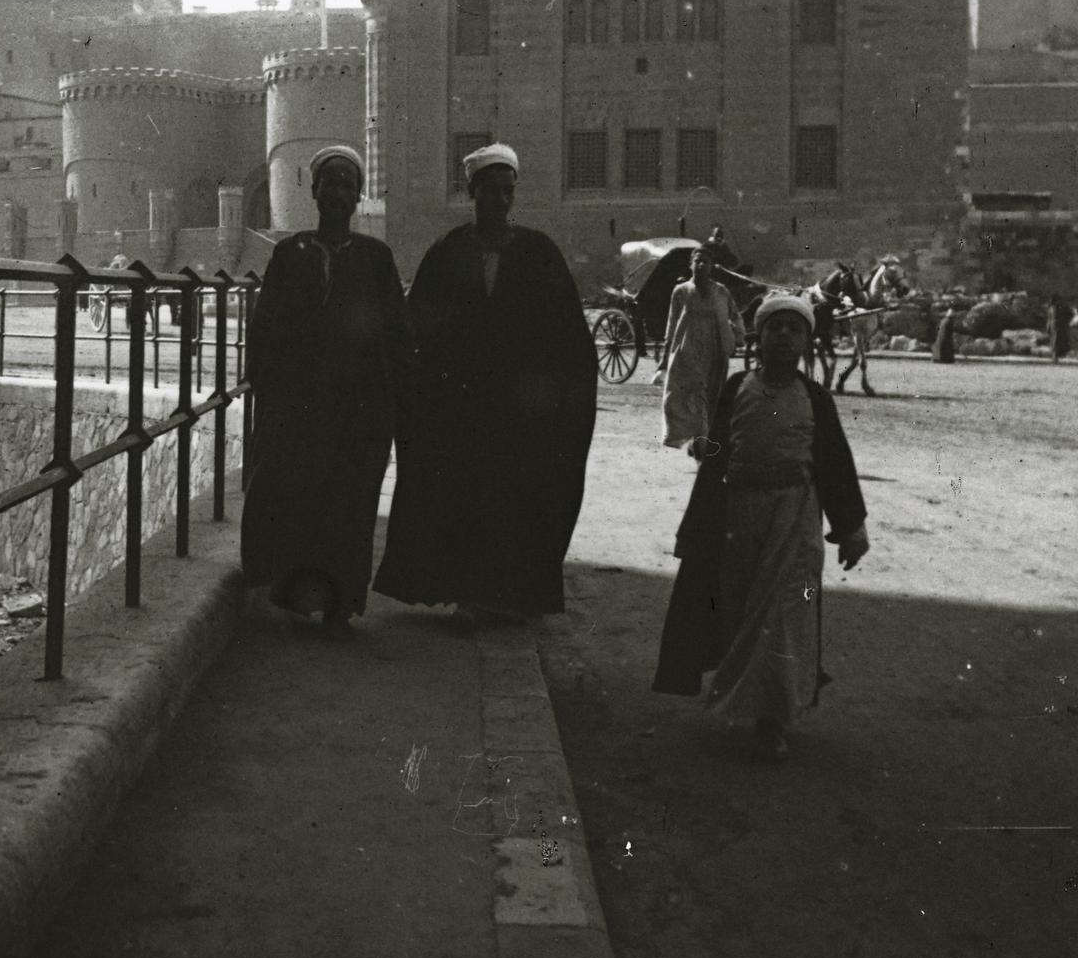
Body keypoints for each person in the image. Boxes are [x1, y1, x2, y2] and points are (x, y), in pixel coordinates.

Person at [373, 143, 598, 626]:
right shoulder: (447, 252)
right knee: (466, 500)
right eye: (489, 191)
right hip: (462, 412)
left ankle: (507, 595)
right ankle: (470, 595)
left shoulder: (540, 254)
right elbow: (417, 331)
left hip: (521, 413)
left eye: (507, 191)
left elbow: (569, 339)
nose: (498, 200)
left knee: (514, 503)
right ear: (471, 192)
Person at [652, 294, 870, 761]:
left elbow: (834, 463)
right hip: (741, 517)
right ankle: (754, 704)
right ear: (760, 336)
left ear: (808, 341)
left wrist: (851, 527)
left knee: (783, 613)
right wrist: (697, 513)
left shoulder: (816, 399)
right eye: (775, 328)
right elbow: (718, 458)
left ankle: (772, 721)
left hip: (796, 517)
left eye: (795, 329)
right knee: (746, 609)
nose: (784, 336)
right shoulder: (736, 388)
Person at [240, 145, 415, 640]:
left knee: (349, 508)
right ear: (314, 190)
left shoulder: (375, 259)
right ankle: (294, 600)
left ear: (358, 196)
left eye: (346, 185)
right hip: (300, 409)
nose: (337, 194)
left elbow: (397, 336)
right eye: (329, 184)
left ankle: (341, 607)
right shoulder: (288, 254)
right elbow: (266, 330)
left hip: (358, 414)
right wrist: (271, 394)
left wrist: (397, 402)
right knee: (298, 500)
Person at [657, 246, 745, 458]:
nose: (701, 265)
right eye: (697, 261)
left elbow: (735, 315)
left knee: (710, 399)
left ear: (711, 266)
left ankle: (700, 443)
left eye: (705, 261)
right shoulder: (681, 292)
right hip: (686, 354)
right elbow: (671, 323)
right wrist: (664, 358)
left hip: (715, 355)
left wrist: (738, 335)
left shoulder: (721, 292)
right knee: (689, 399)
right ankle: (699, 445)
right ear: (691, 265)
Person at [1049, 296, 1072, 364]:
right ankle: (1055, 357)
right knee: (1055, 342)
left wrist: (1065, 322)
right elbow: (1049, 319)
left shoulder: (1062, 308)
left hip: (1059, 327)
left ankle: (1056, 357)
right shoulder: (1052, 308)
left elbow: (1070, 314)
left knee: (1057, 341)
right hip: (1055, 327)